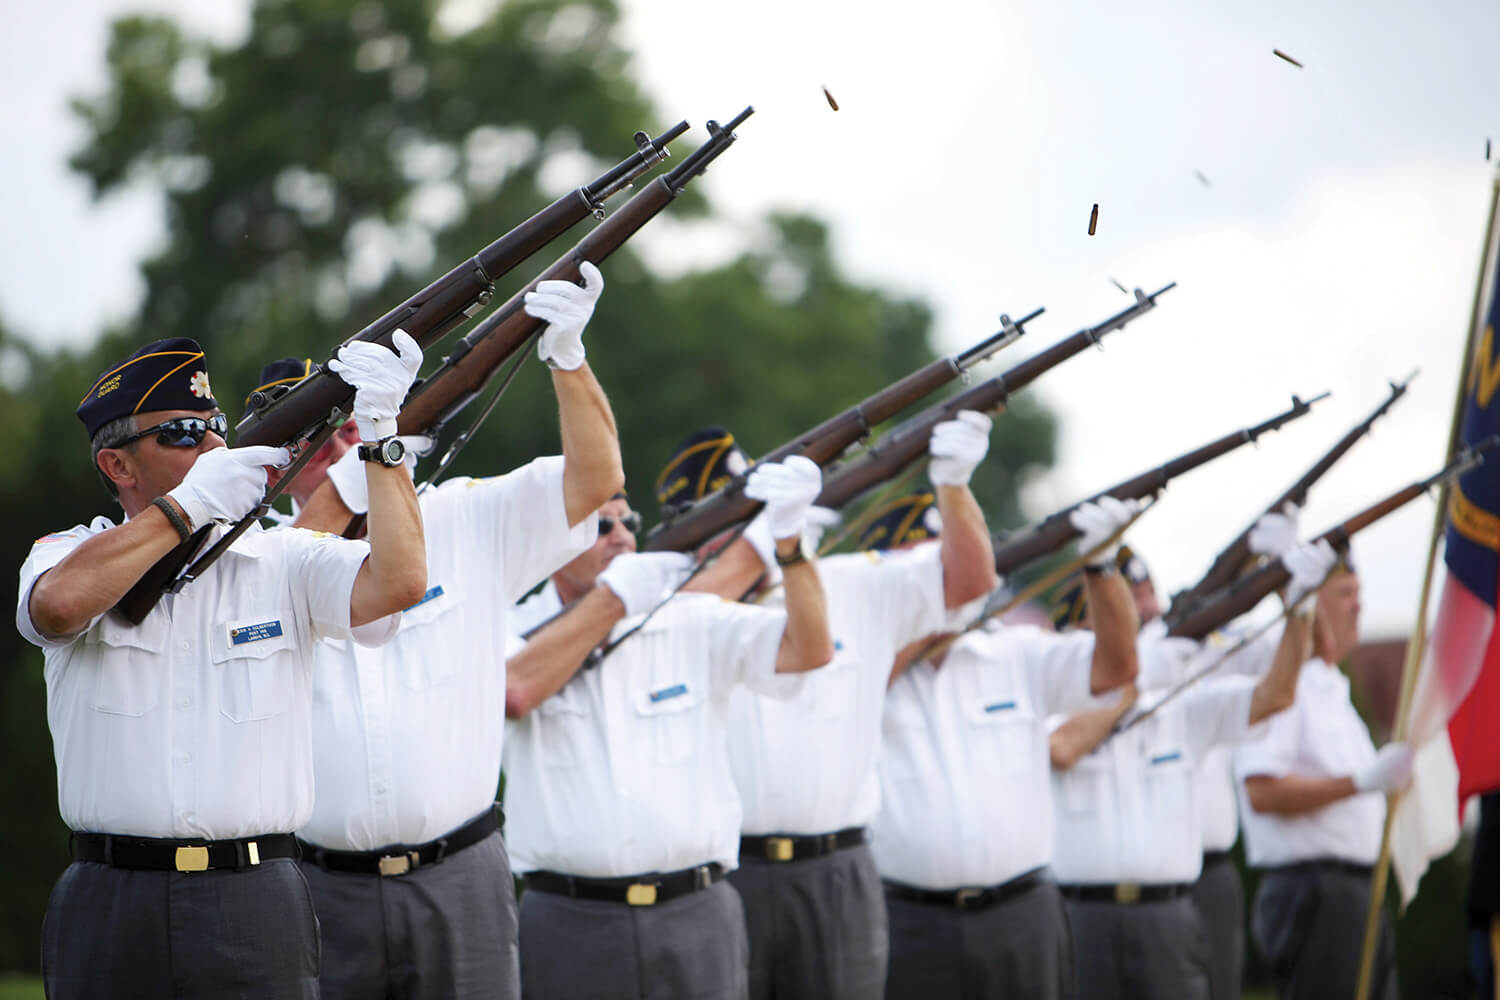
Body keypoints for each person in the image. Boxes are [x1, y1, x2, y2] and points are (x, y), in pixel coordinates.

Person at [18, 333, 428, 999]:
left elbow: (401, 582)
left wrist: (383, 434)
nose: (211, 446)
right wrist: (190, 508)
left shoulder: (284, 559)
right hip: (111, 898)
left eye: (214, 428)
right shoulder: (69, 554)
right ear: (119, 466)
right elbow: (59, 608)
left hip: (254, 897)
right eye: (182, 432)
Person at [285, 263, 624, 1000]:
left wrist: (568, 357)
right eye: (316, 442)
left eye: (351, 430)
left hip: (458, 873)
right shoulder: (262, 561)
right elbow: (311, 541)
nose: (339, 451)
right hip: (317, 884)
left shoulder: (463, 515)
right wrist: (360, 475)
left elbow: (595, 486)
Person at [503, 446, 835, 1000]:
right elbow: (514, 690)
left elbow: (809, 649)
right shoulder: (513, 627)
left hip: (696, 912)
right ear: (550, 541)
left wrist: (789, 544)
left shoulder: (688, 616)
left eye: (626, 520)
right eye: (598, 523)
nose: (620, 535)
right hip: (570, 918)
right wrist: (612, 603)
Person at [716, 411, 999, 1000]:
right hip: (725, 870)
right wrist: (759, 549)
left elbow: (971, 582)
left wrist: (952, 483)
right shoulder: (691, 605)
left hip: (836, 867)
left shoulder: (857, 583)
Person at [873, 495, 1142, 1000]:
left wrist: (1102, 566)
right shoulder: (865, 669)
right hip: (907, 922)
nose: (945, 581)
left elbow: (1118, 667)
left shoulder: (1015, 652)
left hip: (1021, 915)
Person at [1046, 539, 1333, 1000]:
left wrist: (1300, 606)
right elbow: (1061, 747)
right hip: (1084, 917)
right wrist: (1135, 682)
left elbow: (1274, 695)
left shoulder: (1178, 706)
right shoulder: (1058, 706)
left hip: (1169, 915)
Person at [1234, 552, 1413, 1000]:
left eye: (1359, 593)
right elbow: (1262, 790)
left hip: (1355, 891)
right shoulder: (1285, 684)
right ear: (1311, 604)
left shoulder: (1333, 689)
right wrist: (1357, 784)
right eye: (1345, 593)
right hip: (1313, 893)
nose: (1358, 606)